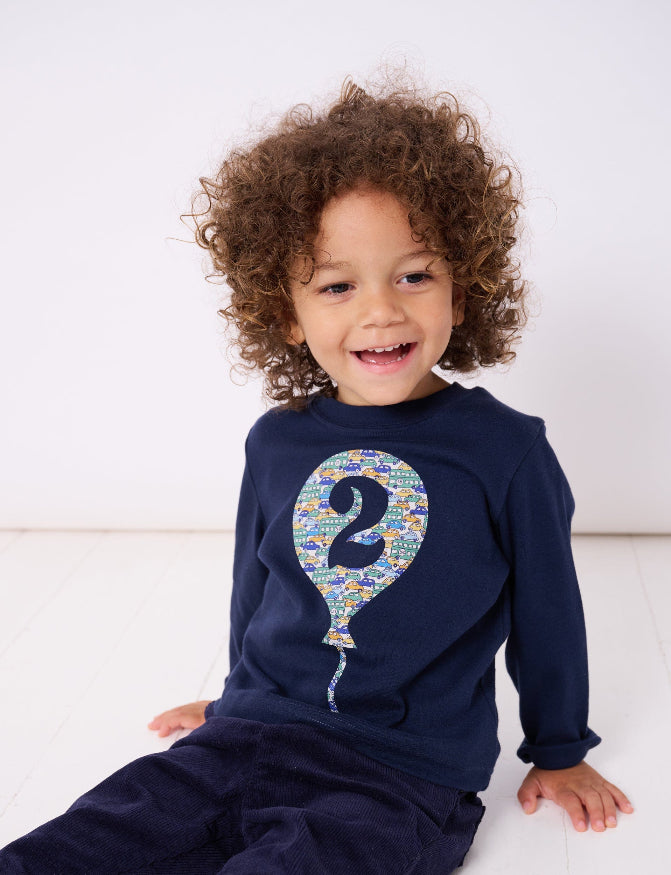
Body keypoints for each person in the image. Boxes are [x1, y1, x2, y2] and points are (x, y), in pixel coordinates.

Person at [0, 76, 633, 874]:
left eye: (414, 275)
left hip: (397, 774)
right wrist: (235, 697)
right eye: (338, 286)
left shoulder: (505, 451)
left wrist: (560, 746)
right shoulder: (276, 442)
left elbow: (549, 609)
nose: (380, 310)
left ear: (464, 287)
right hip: (243, 735)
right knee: (78, 843)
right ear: (286, 312)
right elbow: (255, 588)